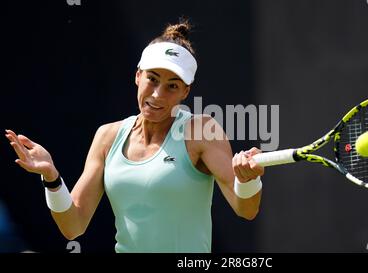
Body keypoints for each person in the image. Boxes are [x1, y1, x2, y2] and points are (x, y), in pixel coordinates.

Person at [4, 19, 264, 253]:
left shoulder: (202, 131)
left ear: (186, 91)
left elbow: (246, 209)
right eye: (152, 79)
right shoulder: (107, 136)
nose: (157, 95)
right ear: (138, 76)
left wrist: (248, 180)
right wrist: (51, 177)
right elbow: (73, 225)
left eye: (172, 86)